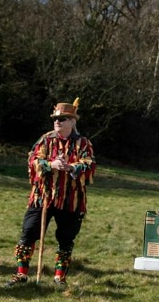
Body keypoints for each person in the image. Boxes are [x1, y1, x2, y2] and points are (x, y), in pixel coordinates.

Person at [6, 99, 96, 287]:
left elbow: (89, 164)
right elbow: (33, 160)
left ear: (72, 122)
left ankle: (59, 276)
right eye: (56, 118)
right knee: (29, 232)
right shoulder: (46, 139)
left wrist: (71, 167)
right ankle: (21, 274)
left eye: (63, 119)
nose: (58, 121)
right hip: (43, 196)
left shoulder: (83, 143)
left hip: (71, 199)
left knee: (66, 238)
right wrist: (50, 164)